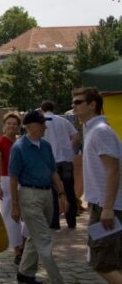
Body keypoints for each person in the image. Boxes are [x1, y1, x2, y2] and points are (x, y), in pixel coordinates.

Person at [9, 110, 67, 284]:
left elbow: (53, 172)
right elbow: (13, 177)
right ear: (31, 126)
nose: (45, 127)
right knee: (44, 239)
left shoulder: (46, 146)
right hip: (29, 195)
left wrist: (62, 194)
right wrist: (15, 205)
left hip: (47, 194)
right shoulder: (18, 148)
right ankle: (57, 280)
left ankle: (25, 274)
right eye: (42, 124)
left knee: (36, 236)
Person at [71, 87, 122, 283]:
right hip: (104, 205)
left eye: (78, 102)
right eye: (73, 102)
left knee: (102, 263)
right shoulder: (93, 129)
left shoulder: (101, 131)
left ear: (92, 105)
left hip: (108, 207)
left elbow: (113, 170)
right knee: (112, 261)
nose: (73, 106)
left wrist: (107, 208)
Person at [41, 100, 78, 229]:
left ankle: (54, 222)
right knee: (69, 190)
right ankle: (71, 221)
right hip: (66, 160)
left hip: (49, 162)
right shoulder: (63, 121)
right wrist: (69, 148)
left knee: (52, 193)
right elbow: (76, 136)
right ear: (54, 108)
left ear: (42, 109)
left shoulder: (41, 123)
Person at [0, 112, 24, 264]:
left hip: (22, 180)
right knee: (10, 215)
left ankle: (24, 244)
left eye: (14, 124)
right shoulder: (0, 142)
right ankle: (17, 249)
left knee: (24, 214)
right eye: (9, 123)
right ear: (4, 126)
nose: (12, 126)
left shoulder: (21, 141)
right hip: (6, 179)